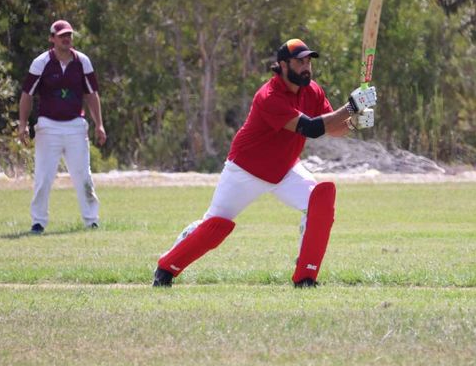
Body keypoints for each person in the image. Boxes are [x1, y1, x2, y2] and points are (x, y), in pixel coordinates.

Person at [152, 38, 376, 288]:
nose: (306, 67)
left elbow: (333, 127)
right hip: (246, 171)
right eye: (299, 61)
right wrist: (352, 106)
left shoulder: (312, 90)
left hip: (285, 170)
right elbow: (311, 128)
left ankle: (305, 278)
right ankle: (165, 267)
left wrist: (355, 121)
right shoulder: (269, 96)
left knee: (320, 202)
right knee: (214, 227)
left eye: (308, 62)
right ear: (282, 65)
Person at [17, 19, 107, 234]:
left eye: (69, 35)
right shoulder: (41, 63)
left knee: (83, 176)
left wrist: (99, 124)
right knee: (43, 177)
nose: (66, 39)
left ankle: (91, 220)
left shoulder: (82, 62)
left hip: (76, 125)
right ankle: (38, 222)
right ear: (52, 39)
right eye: (61, 35)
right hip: (48, 126)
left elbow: (92, 94)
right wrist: (22, 125)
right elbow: (26, 95)